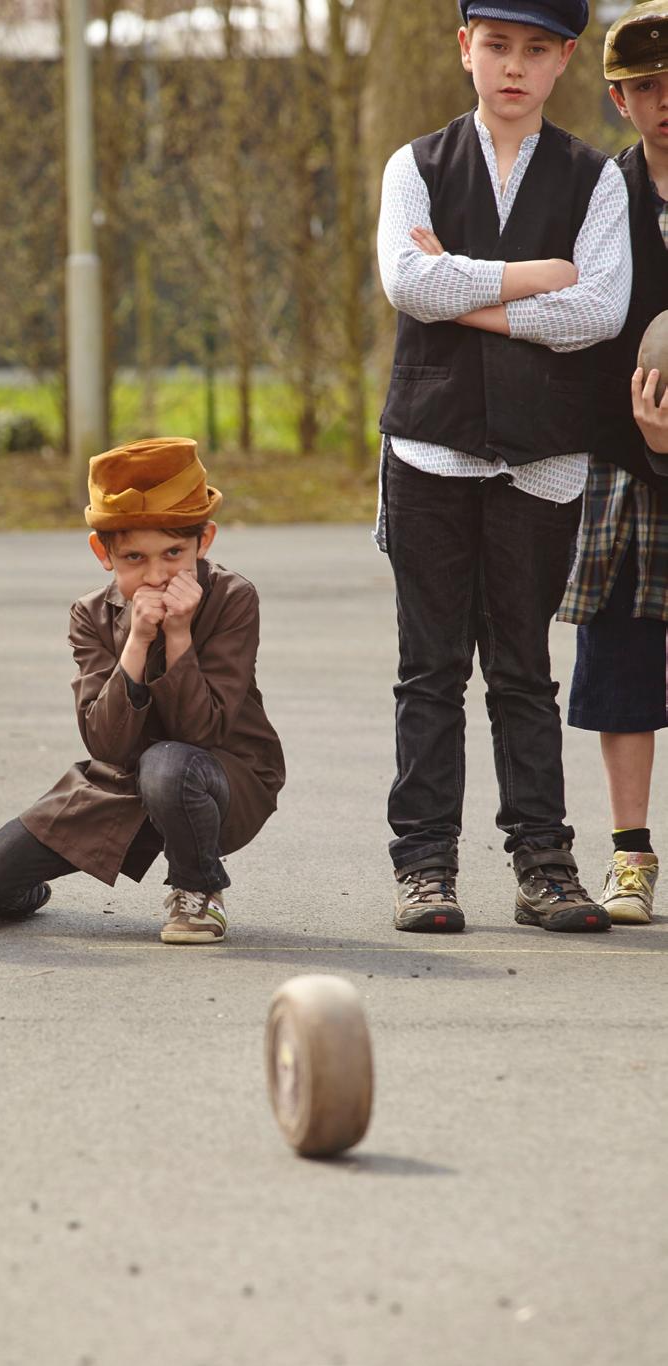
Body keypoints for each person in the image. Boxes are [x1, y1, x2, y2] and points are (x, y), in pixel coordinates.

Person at [375, 0, 631, 933]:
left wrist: (468, 291)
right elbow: (409, 283)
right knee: (430, 670)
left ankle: (545, 865)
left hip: (543, 459)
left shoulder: (594, 178)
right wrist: (537, 273)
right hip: (430, 449)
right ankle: (426, 866)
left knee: (524, 671)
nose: (512, 66)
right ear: (465, 50)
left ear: (564, 59)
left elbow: (598, 313)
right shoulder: (416, 164)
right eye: (496, 46)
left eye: (534, 49)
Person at [0, 438, 285, 945]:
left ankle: (198, 892)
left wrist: (178, 635)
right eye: (134, 557)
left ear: (206, 541)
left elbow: (202, 731)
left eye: (174, 553)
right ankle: (20, 887)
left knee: (169, 764)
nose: (156, 575)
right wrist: (137, 641)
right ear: (102, 553)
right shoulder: (90, 614)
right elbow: (106, 746)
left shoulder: (233, 598)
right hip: (120, 780)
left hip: (223, 778)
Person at [570, 3, 668, 924]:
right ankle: (631, 855)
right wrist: (641, 433)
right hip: (623, 460)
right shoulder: (603, 197)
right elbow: (580, 329)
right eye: (648, 87)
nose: (667, 101)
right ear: (619, 99)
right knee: (621, 659)